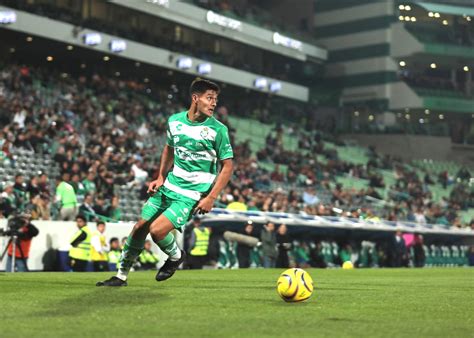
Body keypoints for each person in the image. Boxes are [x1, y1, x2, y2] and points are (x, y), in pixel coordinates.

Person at [97, 78, 234, 286]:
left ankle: (176, 256)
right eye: (210, 98)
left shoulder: (218, 130)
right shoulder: (175, 121)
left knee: (157, 231)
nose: (214, 103)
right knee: (139, 228)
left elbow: (228, 166)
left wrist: (212, 197)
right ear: (195, 98)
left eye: (216, 99)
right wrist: (160, 176)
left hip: (190, 194)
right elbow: (169, 148)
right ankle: (121, 276)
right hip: (169, 186)